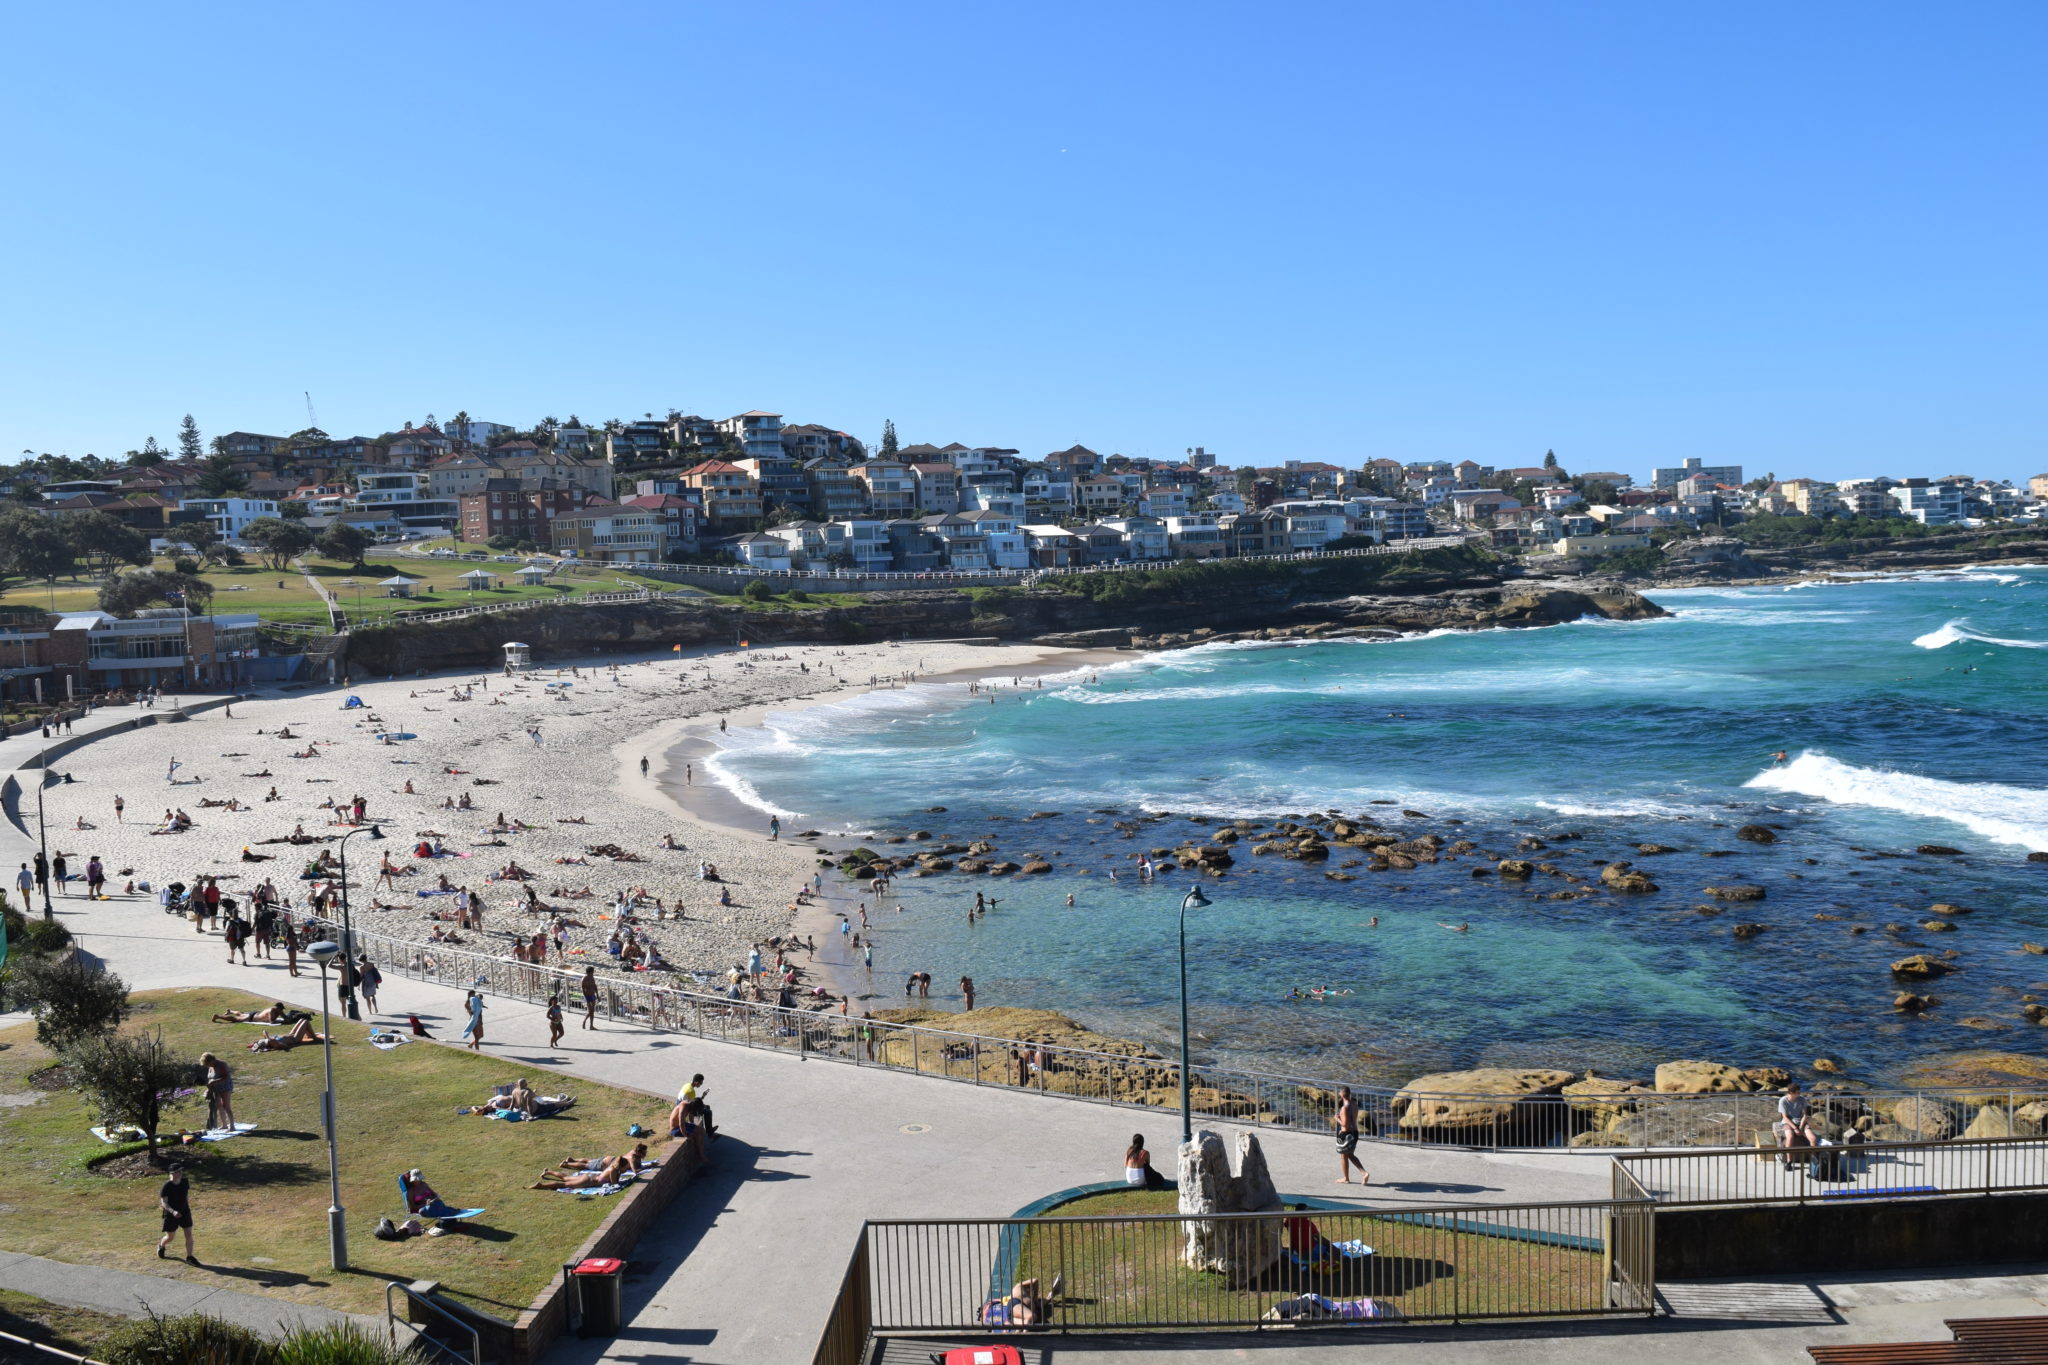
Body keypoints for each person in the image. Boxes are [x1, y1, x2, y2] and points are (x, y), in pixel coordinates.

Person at [156, 1166, 197, 1264]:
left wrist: (185, 1206)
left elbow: (185, 1195)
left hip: (185, 1212)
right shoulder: (166, 1186)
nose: (181, 1173)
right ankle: (161, 1246)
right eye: (178, 1171)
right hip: (171, 1214)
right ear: (172, 1173)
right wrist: (173, 1212)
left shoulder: (184, 1182)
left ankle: (190, 1257)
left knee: (189, 1234)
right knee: (170, 1237)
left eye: (181, 1171)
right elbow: (164, 1203)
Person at [1334, 1085, 1369, 1185]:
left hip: (1347, 1134)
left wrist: (1337, 1119)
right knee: (1350, 1155)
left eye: (1339, 1093)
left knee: (1343, 1156)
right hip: (1355, 1133)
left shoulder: (1344, 1108)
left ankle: (1346, 1178)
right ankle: (1364, 1173)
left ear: (1341, 1094)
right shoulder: (1354, 1104)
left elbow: (1345, 1124)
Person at [1778, 1081, 1816, 1165]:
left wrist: (1801, 1128)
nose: (1799, 1094)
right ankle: (1789, 1161)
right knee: (1790, 1137)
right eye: (1797, 1092)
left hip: (1800, 1121)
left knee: (1813, 1138)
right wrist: (1795, 1128)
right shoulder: (1783, 1100)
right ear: (1791, 1093)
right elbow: (1785, 1117)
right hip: (1788, 1122)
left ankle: (1813, 1160)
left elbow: (1805, 1115)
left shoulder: (1802, 1099)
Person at [200, 1053, 236, 1132]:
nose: (207, 1065)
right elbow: (210, 1078)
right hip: (216, 1089)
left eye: (207, 1063)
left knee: (226, 1106)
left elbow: (226, 1077)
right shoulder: (211, 1067)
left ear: (212, 1060)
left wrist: (215, 1081)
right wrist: (208, 1088)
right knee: (219, 1105)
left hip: (225, 1087)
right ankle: (224, 1125)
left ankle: (232, 1126)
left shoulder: (222, 1065)